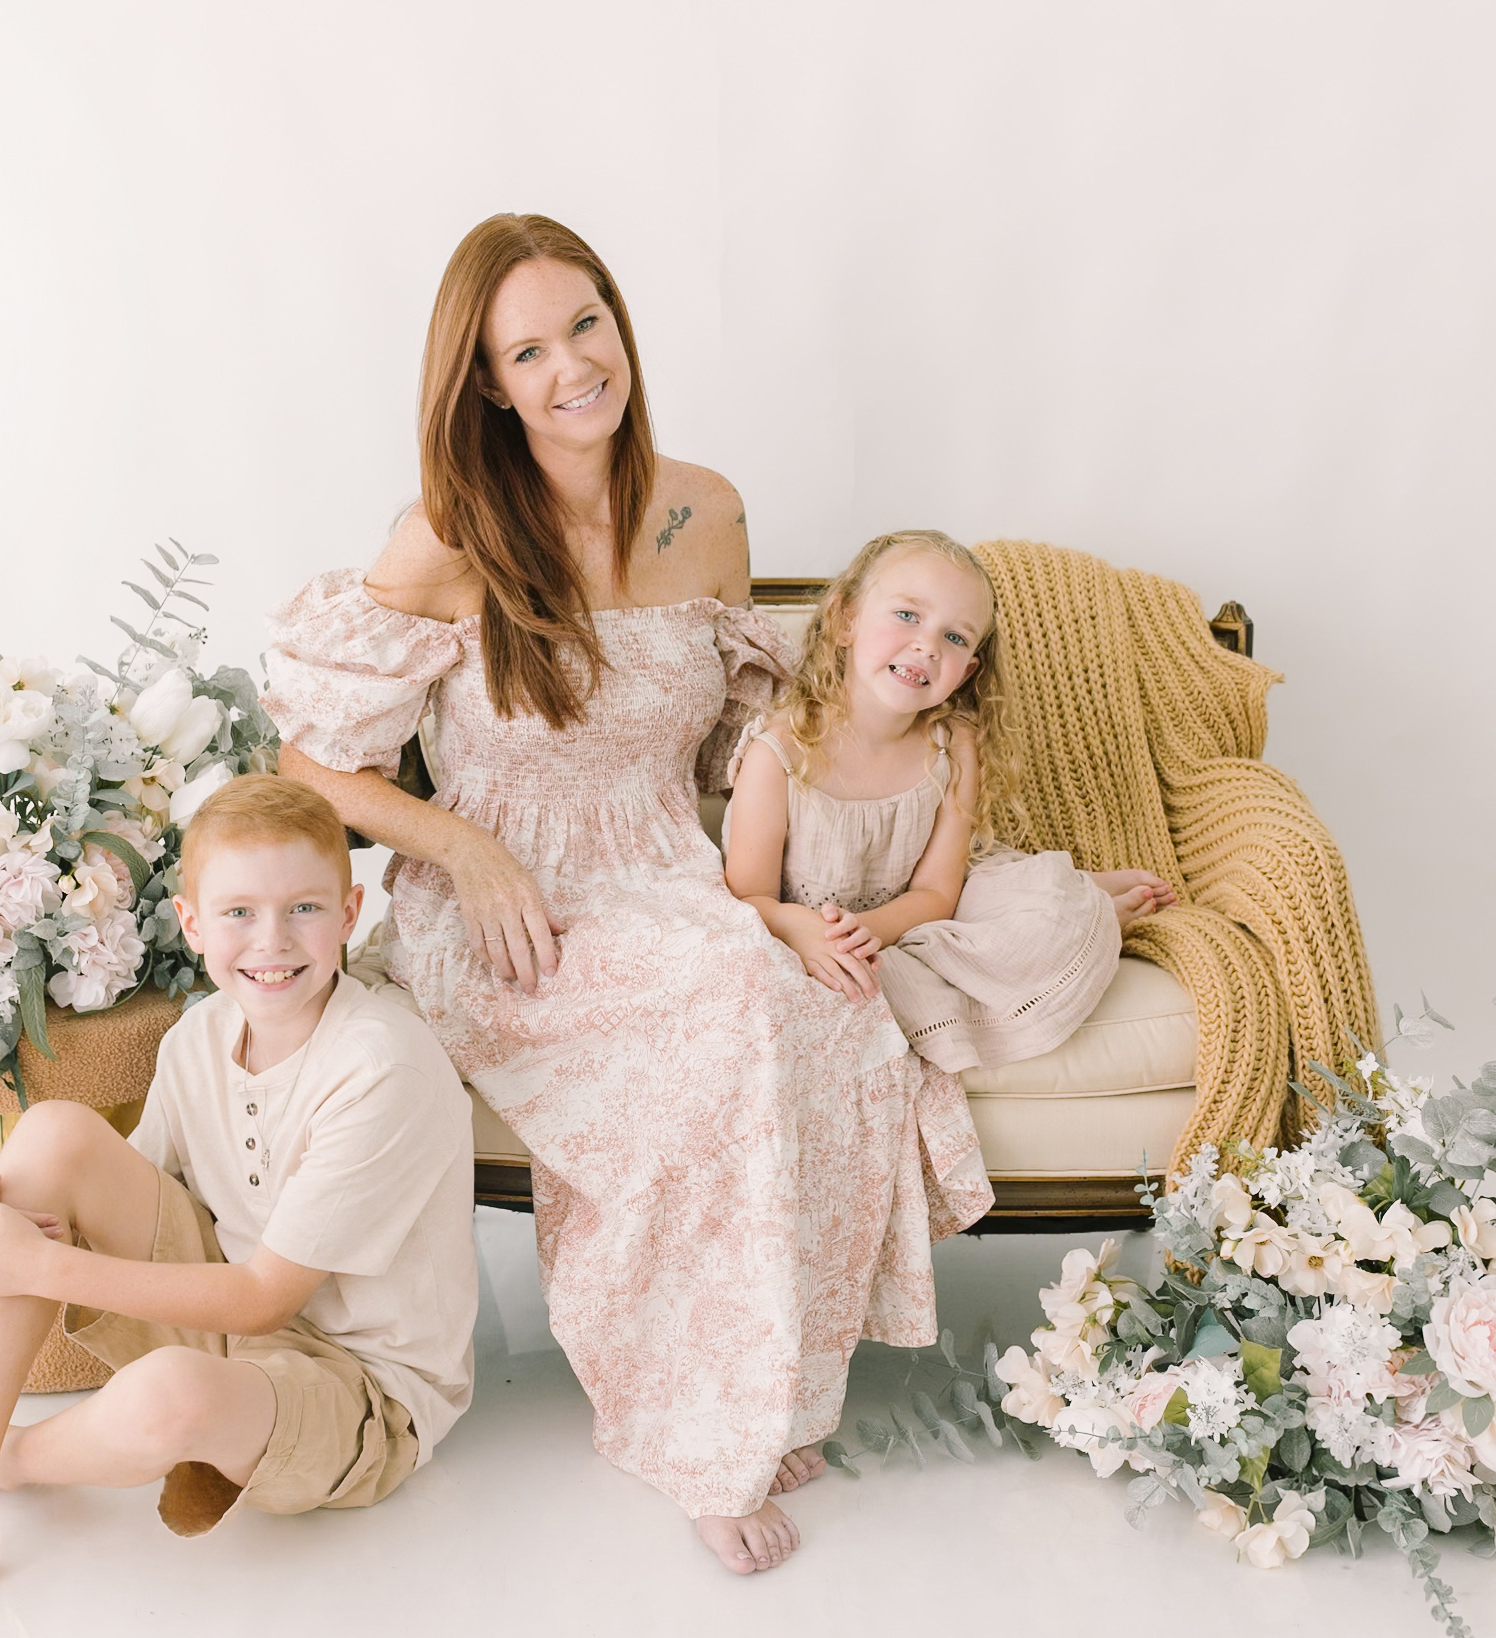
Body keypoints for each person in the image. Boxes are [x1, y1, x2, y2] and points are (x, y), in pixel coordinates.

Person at [268, 213, 990, 1575]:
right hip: (505, 899)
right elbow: (312, 757)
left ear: (620, 325)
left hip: (665, 866)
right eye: (525, 351)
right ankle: (690, 1429)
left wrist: (856, 851)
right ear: (485, 381)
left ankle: (771, 1380)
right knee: (725, 998)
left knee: (817, 997)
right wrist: (468, 851)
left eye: (583, 326)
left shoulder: (702, 509)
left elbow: (747, 741)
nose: (568, 368)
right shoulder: (450, 532)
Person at [0, 775, 477, 1638]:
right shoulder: (199, 1038)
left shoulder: (379, 1067)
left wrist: (40, 1264)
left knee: (165, 1394)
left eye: (303, 909)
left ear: (349, 911)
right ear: (190, 923)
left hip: (359, 1388)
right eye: (238, 913)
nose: (271, 940)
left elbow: (264, 1298)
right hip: (232, 1308)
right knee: (53, 1135)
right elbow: (110, 1195)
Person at [722, 530, 1177, 1073]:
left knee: (1054, 916)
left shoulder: (951, 744)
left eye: (956, 638)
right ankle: (1085, 891)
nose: (928, 646)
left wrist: (876, 930)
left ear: (967, 672)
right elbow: (747, 897)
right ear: (845, 621)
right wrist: (802, 929)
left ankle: (1089, 901)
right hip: (820, 929)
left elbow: (939, 892)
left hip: (922, 913)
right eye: (908, 616)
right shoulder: (779, 755)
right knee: (827, 993)